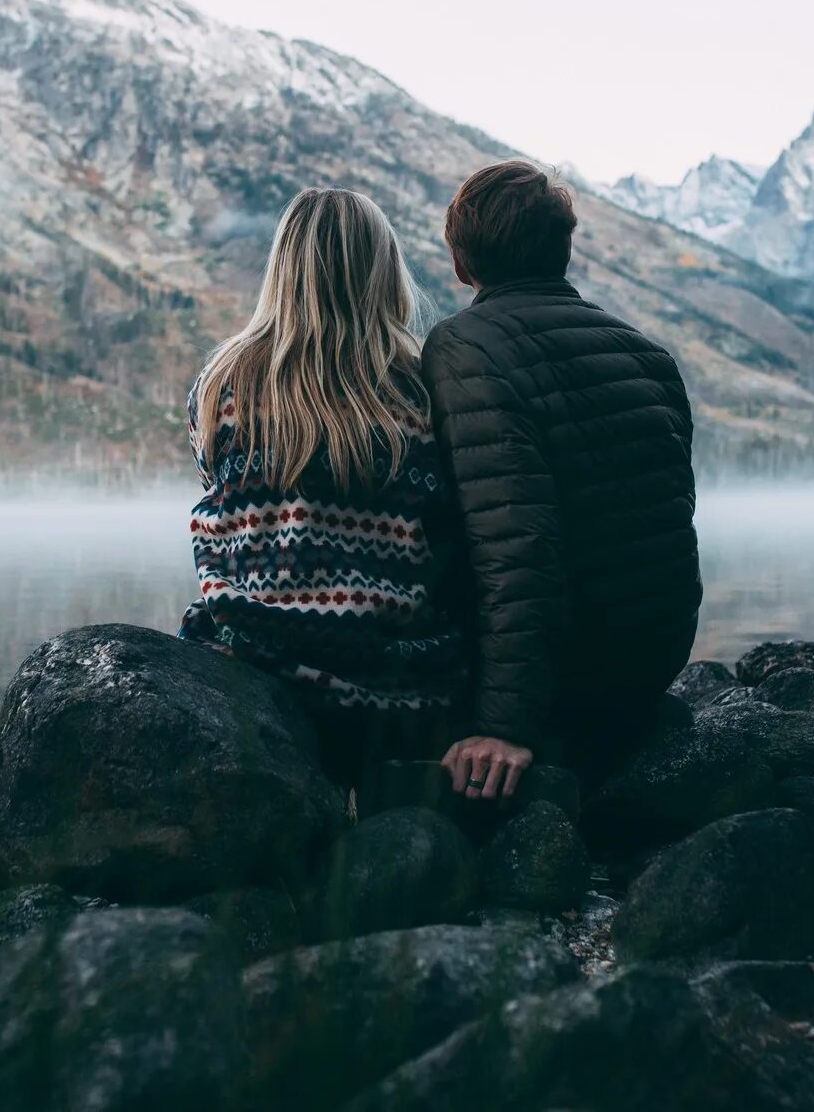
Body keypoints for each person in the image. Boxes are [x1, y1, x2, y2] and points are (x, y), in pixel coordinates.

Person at [424, 160, 701, 800]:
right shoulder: (646, 354)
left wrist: (503, 725)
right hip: (650, 665)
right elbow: (669, 520)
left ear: (461, 262)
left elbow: (516, 548)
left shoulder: (463, 348)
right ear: (564, 250)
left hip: (564, 688)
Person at [179, 187, 467, 795]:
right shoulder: (422, 387)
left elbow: (221, 499)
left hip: (253, 656)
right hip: (394, 675)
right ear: (382, 270)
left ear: (283, 268)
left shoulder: (222, 383)